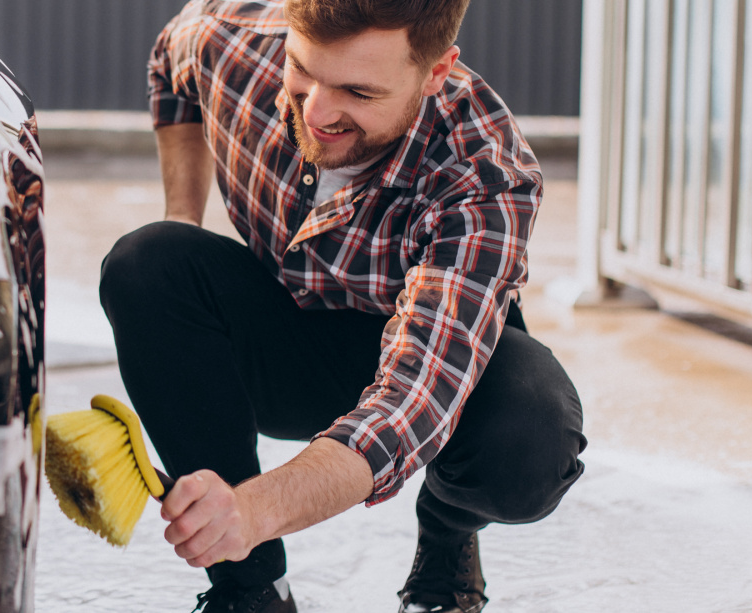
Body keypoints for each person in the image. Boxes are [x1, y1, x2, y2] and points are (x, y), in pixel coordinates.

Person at [97, 0, 588, 611]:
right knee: (150, 262)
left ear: (436, 72)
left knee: (527, 443)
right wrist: (182, 216)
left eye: (357, 90)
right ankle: (251, 590)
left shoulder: (486, 171)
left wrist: (251, 509)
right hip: (285, 337)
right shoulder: (232, 38)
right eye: (303, 70)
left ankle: (447, 529)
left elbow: (414, 400)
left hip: (427, 363)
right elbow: (169, 66)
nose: (317, 111)